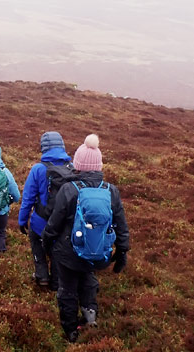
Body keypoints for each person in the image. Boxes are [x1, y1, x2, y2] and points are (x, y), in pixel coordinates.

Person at [42, 134, 130, 343]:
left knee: (67, 289)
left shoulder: (68, 189)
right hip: (98, 251)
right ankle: (90, 317)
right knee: (88, 279)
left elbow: (54, 224)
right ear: (99, 166)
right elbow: (121, 224)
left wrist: (47, 245)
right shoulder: (111, 191)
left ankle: (71, 332)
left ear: (78, 165)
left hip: (68, 252)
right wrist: (123, 251)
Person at [18, 131, 72, 289]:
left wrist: (22, 220)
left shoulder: (38, 169)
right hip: (63, 225)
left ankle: (42, 277)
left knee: (37, 245)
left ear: (44, 147)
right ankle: (56, 282)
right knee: (57, 250)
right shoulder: (72, 168)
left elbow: (28, 198)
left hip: (40, 222)